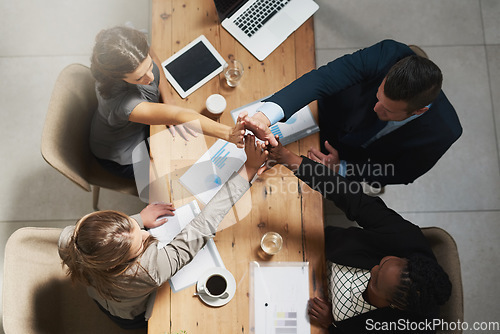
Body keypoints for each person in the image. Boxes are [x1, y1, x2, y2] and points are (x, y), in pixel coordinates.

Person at [58, 135, 268, 329]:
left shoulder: (72, 238)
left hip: (99, 293)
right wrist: (247, 169)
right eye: (139, 244)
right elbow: (202, 226)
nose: (146, 233)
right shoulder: (149, 270)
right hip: (129, 315)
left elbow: (125, 234)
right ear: (116, 262)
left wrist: (138, 219)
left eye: (134, 228)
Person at [265, 138, 452, 333]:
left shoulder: (403, 327)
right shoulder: (404, 238)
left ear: (395, 306)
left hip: (311, 308)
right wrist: (289, 159)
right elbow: (351, 197)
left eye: (376, 281)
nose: (372, 270)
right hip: (318, 248)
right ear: (405, 258)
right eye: (383, 264)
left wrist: (334, 323)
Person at [244, 39, 462, 187]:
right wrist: (263, 118)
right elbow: (322, 79)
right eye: (378, 97)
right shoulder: (386, 54)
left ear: (418, 111)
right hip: (321, 117)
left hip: (351, 161)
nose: (376, 109)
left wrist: (343, 168)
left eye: (387, 110)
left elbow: (402, 173)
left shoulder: (444, 132)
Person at [89, 26, 246, 179]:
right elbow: (177, 115)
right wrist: (229, 134)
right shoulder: (123, 104)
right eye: (139, 78)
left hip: (136, 127)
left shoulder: (133, 50)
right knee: (175, 178)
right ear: (118, 78)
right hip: (122, 155)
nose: (150, 78)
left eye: (150, 67)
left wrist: (168, 98)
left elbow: (153, 55)